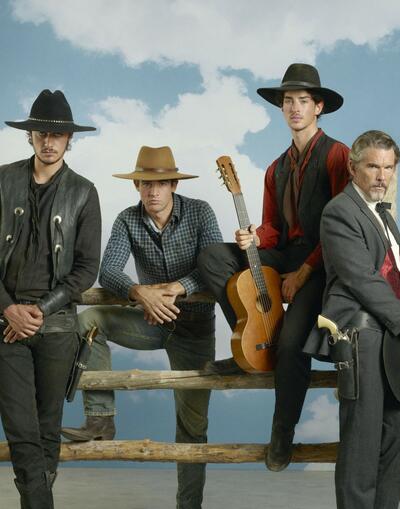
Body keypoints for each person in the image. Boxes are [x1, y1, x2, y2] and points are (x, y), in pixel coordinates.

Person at [197, 63, 350, 471]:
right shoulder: (275, 168)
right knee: (214, 256)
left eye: (303, 101)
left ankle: (282, 430)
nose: (294, 108)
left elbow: (341, 230)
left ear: (319, 107)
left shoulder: (339, 155)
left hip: (323, 262)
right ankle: (252, 338)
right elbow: (273, 229)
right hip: (286, 253)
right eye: (288, 101)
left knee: (293, 345)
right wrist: (254, 238)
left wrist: (303, 273)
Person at [60, 146, 222, 509]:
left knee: (192, 426)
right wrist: (139, 293)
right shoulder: (126, 219)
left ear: (173, 185)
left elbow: (216, 267)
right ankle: (100, 422)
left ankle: (188, 505)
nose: (153, 191)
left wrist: (177, 288)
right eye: (145, 184)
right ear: (136, 186)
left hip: (194, 329)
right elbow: (109, 271)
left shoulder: (200, 212)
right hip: (151, 323)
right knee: (89, 320)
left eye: (161, 183)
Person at [304, 130, 400, 509]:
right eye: (373, 166)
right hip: (359, 334)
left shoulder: (385, 217)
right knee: (361, 442)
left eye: (388, 167)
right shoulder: (339, 212)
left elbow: (397, 275)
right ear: (353, 167)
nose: (382, 175)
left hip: (390, 332)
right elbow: (361, 278)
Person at [0, 89, 101, 508]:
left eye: (57, 135)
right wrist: (9, 308)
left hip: (56, 325)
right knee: (22, 432)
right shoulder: (2, 180)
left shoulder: (84, 191)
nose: (49, 141)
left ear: (68, 140)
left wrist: (40, 310)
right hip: (6, 325)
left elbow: (86, 269)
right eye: (42, 132)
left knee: (47, 430)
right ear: (30, 136)